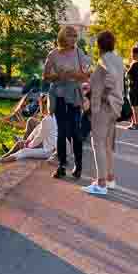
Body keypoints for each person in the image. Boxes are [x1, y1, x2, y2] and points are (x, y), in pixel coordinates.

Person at [43, 25, 90, 180]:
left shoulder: (79, 52)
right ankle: (62, 165)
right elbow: (46, 76)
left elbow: (86, 75)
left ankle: (78, 165)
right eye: (71, 36)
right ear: (63, 37)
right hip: (59, 95)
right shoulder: (53, 54)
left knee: (75, 132)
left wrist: (74, 74)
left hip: (74, 95)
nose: (74, 39)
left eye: (75, 36)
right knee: (62, 132)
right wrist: (57, 76)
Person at [84, 30, 124, 195]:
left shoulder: (105, 59)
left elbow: (111, 78)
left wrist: (105, 95)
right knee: (107, 144)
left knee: (98, 144)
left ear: (99, 45)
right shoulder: (118, 59)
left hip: (103, 107)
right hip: (114, 107)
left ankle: (101, 184)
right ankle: (109, 178)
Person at [0, 96, 57, 165]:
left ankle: (1, 161)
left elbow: (39, 137)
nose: (40, 107)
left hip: (48, 151)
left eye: (40, 105)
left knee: (23, 151)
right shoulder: (52, 117)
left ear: (45, 106)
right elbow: (36, 129)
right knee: (20, 144)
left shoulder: (47, 119)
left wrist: (29, 145)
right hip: (49, 147)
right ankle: (1, 158)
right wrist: (28, 140)